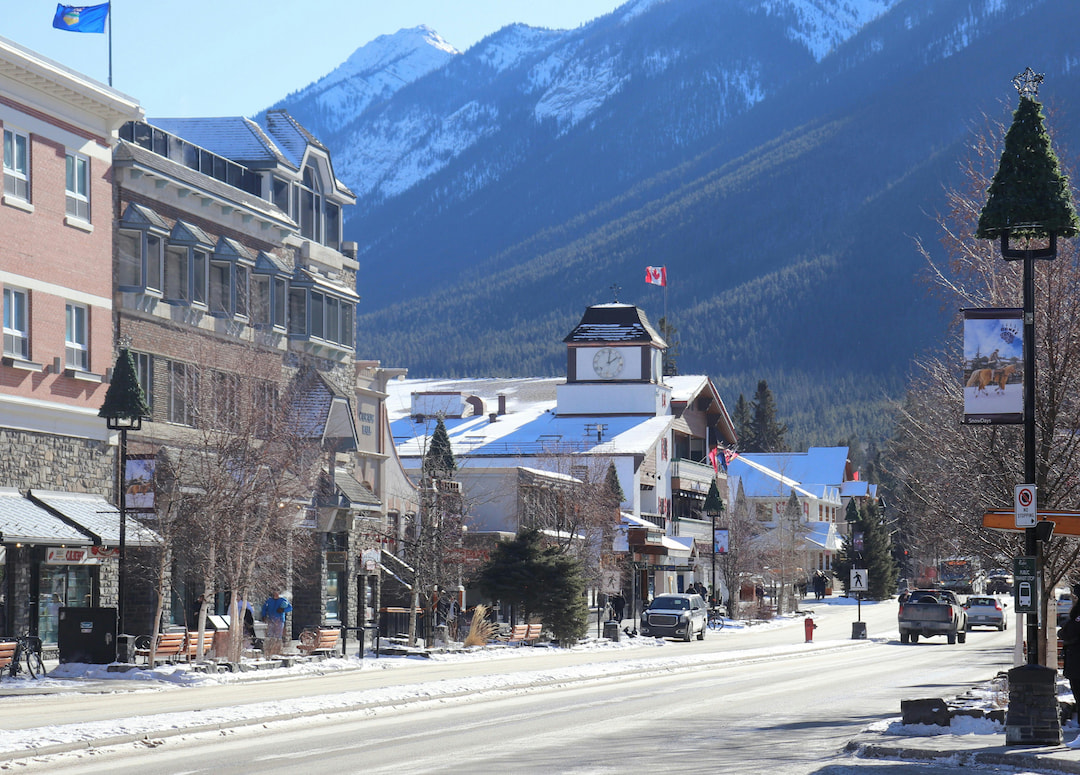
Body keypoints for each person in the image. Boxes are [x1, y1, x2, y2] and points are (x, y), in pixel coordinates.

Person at [1060, 598, 1080, 723]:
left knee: (1078, 695)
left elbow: (1064, 633)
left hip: (1074, 665)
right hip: (1074, 665)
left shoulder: (1073, 622)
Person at [261, 590, 293, 656]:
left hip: (279, 620)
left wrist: (283, 610)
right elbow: (264, 608)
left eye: (277, 592)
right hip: (271, 620)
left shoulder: (282, 600)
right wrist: (263, 616)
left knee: (278, 635)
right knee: (270, 635)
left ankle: (277, 650)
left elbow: (290, 608)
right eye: (274, 592)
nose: (275, 594)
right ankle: (270, 650)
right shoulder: (269, 600)